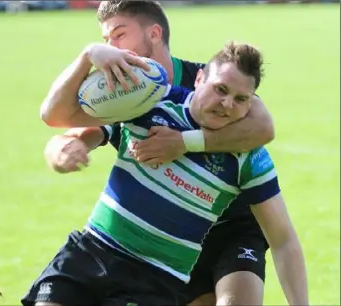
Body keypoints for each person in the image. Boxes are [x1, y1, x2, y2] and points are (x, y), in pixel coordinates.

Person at [23, 42, 308, 306]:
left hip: (154, 279)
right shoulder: (150, 100)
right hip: (91, 250)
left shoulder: (250, 158)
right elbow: (58, 117)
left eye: (241, 99)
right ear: (199, 79)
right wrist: (87, 56)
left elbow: (283, 240)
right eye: (220, 89)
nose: (227, 104)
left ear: (251, 104)